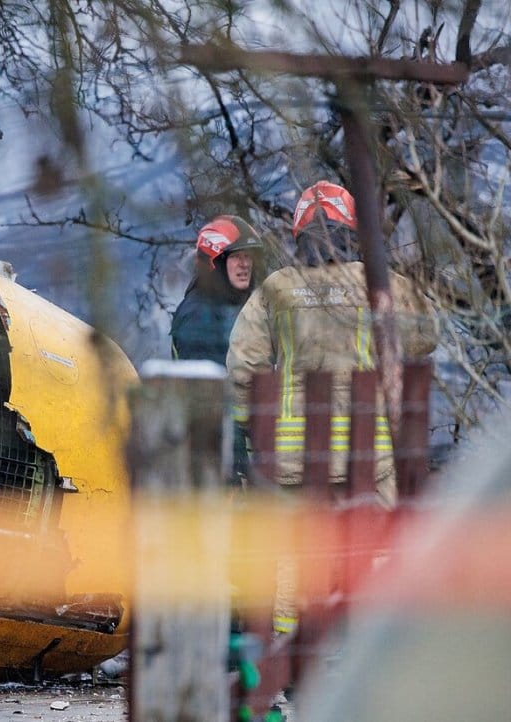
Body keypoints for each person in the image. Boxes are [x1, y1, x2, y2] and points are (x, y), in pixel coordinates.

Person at [225, 180, 438, 634]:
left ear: (300, 233)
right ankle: (369, 650)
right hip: (370, 455)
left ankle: (290, 652)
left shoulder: (276, 289)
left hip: (295, 457)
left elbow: (243, 366)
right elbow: (427, 334)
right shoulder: (381, 285)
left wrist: (250, 431)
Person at [171, 215, 264, 365]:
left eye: (248, 256)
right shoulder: (198, 317)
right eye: (236, 256)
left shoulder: (239, 305)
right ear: (215, 264)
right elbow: (209, 383)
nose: (245, 264)